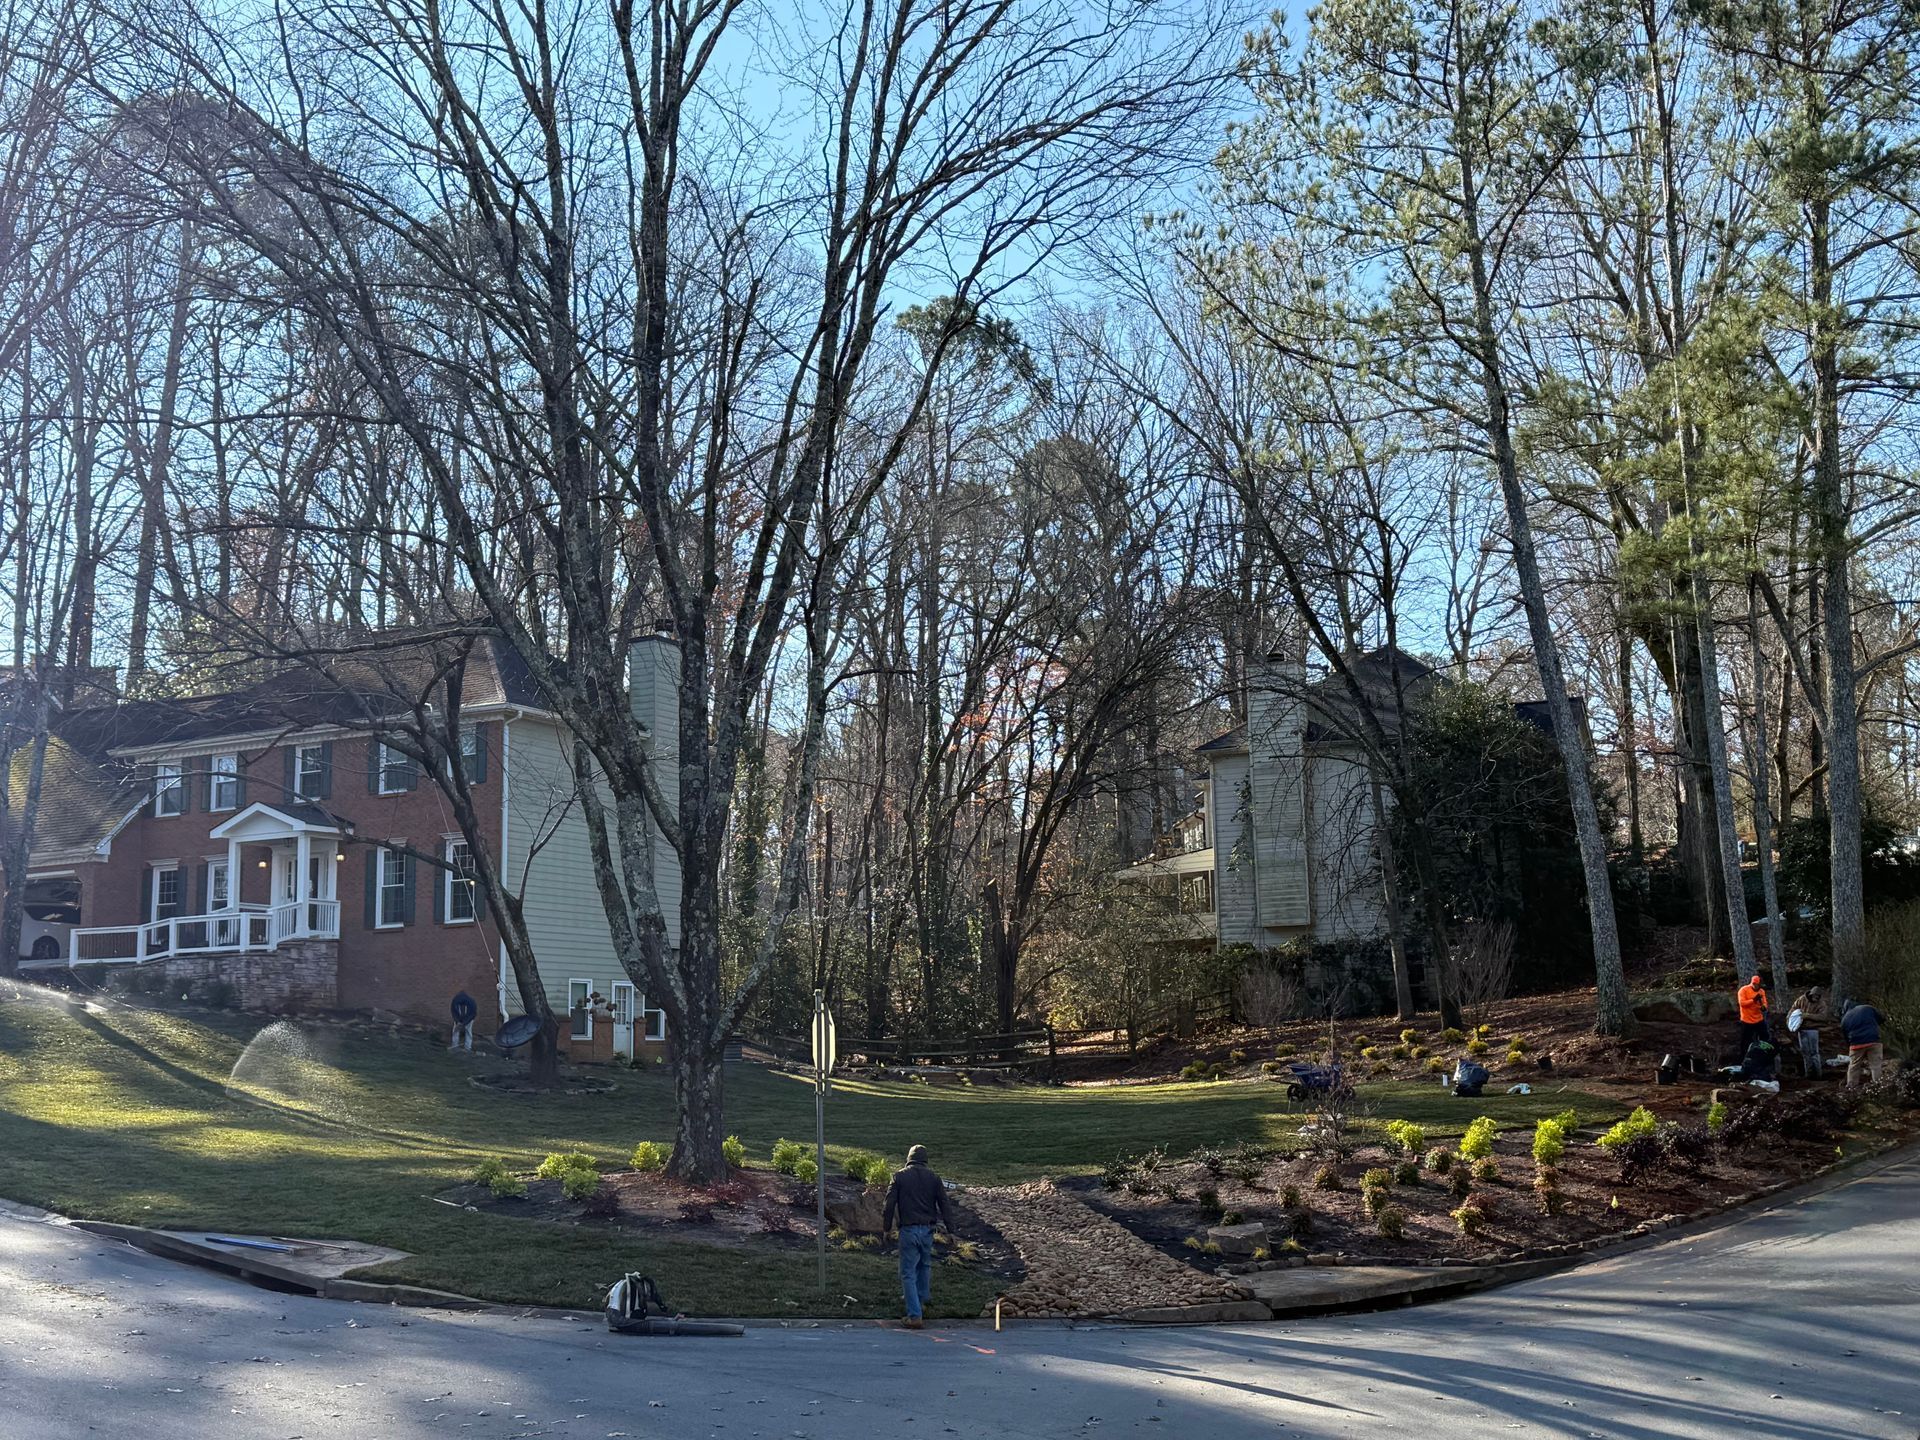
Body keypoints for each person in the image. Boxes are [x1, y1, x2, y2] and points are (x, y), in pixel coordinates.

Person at [882, 1143, 956, 1329]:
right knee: (924, 1265)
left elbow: (889, 1204)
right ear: (925, 1160)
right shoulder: (934, 1178)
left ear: (909, 1159)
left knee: (908, 1272)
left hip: (909, 1230)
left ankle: (915, 1315)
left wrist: (886, 1228)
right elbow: (944, 1205)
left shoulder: (899, 1176)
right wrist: (951, 1230)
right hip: (928, 1230)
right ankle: (921, 1300)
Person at [1840, 999, 1885, 1088]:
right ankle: (1879, 1086)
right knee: (1876, 1066)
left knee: (1854, 1066)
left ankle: (1851, 1086)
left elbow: (1845, 1036)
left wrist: (1849, 1045)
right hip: (1873, 1040)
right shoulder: (1867, 1008)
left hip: (1856, 1044)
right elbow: (1881, 1019)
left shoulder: (1844, 1019)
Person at [1789, 984, 1830, 1078]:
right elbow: (1793, 1011)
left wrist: (1808, 1016)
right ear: (1811, 994)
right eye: (1815, 996)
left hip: (1813, 1030)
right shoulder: (1801, 1000)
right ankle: (1808, 1074)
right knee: (1805, 1053)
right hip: (1801, 1030)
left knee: (1814, 1053)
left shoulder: (1821, 1004)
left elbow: (1823, 1017)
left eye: (1818, 996)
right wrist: (1791, 1024)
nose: (1816, 998)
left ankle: (1818, 1074)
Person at [1736, 974, 1771, 1053]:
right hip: (1747, 1020)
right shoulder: (1743, 990)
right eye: (1758, 985)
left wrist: (1764, 1007)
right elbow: (1742, 1003)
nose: (1759, 987)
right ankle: (1744, 1055)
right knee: (1745, 1040)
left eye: (1760, 985)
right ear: (1753, 983)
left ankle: (1764, 1052)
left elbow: (1765, 1002)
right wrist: (1753, 1000)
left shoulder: (1761, 991)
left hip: (1759, 1019)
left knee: (1765, 1037)